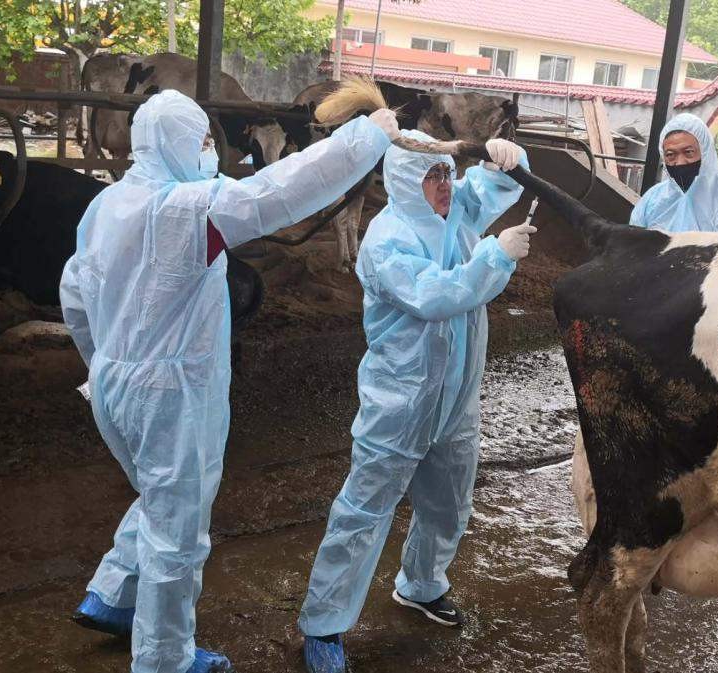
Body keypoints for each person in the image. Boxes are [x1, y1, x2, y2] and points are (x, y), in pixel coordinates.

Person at [60, 89, 400, 673]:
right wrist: (367, 138)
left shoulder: (107, 204)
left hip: (113, 381)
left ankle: (112, 595)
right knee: (177, 531)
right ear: (172, 144)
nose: (210, 150)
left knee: (159, 498)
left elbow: (74, 295)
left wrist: (103, 365)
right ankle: (165, 659)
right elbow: (280, 190)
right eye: (200, 140)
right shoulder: (186, 210)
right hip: (171, 393)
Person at [298, 130, 534, 673]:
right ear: (406, 181)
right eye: (432, 176)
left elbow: (489, 188)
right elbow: (435, 295)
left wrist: (505, 159)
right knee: (363, 512)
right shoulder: (387, 240)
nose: (445, 184)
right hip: (399, 401)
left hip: (457, 400)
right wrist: (496, 257)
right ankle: (324, 625)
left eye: (446, 173)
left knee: (449, 503)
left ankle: (422, 585)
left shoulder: (453, 212)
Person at [629, 112, 718, 233]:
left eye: (688, 152)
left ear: (705, 151)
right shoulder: (652, 201)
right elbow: (634, 246)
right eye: (670, 155)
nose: (680, 162)